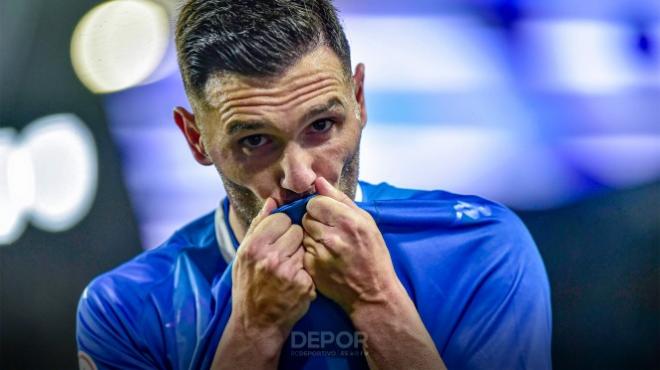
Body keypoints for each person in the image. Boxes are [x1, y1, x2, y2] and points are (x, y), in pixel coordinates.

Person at [76, 0, 552, 369]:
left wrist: (376, 300)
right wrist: (251, 331)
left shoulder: (482, 249)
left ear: (359, 99)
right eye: (256, 140)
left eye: (321, 126)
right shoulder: (127, 309)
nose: (300, 176)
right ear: (196, 139)